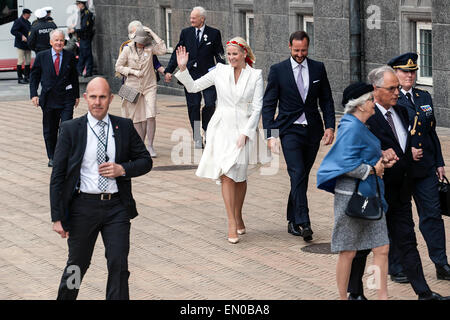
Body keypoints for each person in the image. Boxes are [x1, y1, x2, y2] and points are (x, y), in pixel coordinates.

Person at [347, 66, 449, 300]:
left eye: (396, 87)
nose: (397, 92)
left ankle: (424, 293)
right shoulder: (365, 117)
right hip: (374, 192)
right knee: (363, 246)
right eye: (391, 88)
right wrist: (379, 155)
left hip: (400, 192)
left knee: (407, 242)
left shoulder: (402, 112)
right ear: (376, 89)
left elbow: (406, 145)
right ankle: (355, 293)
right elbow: (352, 152)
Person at [50, 77, 153, 300]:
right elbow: (57, 176)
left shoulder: (123, 127)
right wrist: (57, 216)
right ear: (86, 98)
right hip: (82, 208)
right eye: (93, 97)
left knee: (118, 265)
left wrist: (122, 169)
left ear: (111, 99)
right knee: (77, 265)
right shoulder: (71, 129)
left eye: (103, 97)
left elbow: (146, 161)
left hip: (116, 207)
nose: (98, 102)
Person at [175, 37, 264, 244]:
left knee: (239, 176)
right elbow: (194, 87)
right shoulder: (219, 71)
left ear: (244, 54)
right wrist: (183, 69)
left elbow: (258, 106)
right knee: (226, 174)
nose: (231, 57)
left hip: (243, 128)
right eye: (229, 54)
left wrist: (247, 132)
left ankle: (239, 215)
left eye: (235, 54)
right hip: (221, 128)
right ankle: (231, 222)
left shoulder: (256, 75)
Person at [317, 82, 394, 300]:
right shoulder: (350, 127)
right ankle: (343, 298)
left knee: (381, 248)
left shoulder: (360, 126)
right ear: (360, 105)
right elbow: (344, 163)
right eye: (370, 100)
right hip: (351, 196)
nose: (374, 103)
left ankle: (382, 297)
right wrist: (372, 169)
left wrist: (381, 160)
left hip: (370, 193)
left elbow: (360, 155)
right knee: (348, 251)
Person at [262, 31, 335, 242]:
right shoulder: (278, 70)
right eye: (296, 50)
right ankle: (304, 222)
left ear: (308, 47)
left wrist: (330, 127)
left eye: (303, 50)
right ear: (289, 47)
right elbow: (269, 104)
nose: (300, 54)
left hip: (312, 131)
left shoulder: (318, 68)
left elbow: (327, 100)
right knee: (297, 172)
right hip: (289, 130)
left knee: (300, 176)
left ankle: (292, 218)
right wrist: (271, 134)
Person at [387, 53, 450, 282]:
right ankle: (397, 267)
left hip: (425, 169)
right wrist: (406, 152)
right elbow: (386, 134)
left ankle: (441, 263)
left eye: (413, 71)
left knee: (432, 216)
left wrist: (439, 162)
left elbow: (430, 132)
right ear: (395, 72)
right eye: (405, 71)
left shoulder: (424, 97)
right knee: (400, 219)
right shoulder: (390, 99)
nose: (410, 75)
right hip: (400, 171)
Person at [164, 6, 225, 149]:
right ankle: (197, 136)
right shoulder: (186, 33)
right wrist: (169, 70)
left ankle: (207, 129)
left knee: (210, 103)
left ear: (202, 19)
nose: (191, 20)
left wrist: (223, 70)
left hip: (209, 75)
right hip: (190, 75)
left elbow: (219, 54)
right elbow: (177, 52)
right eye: (191, 17)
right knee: (193, 106)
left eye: (194, 18)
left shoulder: (214, 33)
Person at [30, 29, 80, 167]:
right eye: (56, 40)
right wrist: (34, 94)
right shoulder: (42, 56)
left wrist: (76, 95)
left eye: (61, 40)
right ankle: (52, 156)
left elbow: (74, 76)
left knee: (66, 128)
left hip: (66, 99)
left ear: (64, 41)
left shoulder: (69, 55)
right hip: (48, 99)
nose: (59, 43)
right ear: (51, 42)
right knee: (50, 130)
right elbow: (34, 76)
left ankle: (64, 156)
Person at [115, 25, 166, 157]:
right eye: (140, 41)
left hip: (149, 85)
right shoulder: (127, 49)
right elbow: (118, 66)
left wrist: (153, 33)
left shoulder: (149, 48)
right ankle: (140, 145)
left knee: (151, 114)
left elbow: (163, 50)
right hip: (132, 86)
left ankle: (150, 145)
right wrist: (132, 72)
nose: (142, 44)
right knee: (136, 117)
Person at [71, 0, 95, 77]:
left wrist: (74, 30)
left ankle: (88, 71)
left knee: (86, 54)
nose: (77, 6)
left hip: (86, 37)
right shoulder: (81, 13)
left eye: (78, 4)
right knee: (82, 54)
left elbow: (85, 27)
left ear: (82, 4)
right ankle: (79, 71)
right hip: (82, 37)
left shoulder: (87, 14)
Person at [10, 8, 32, 84]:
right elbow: (13, 31)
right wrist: (21, 36)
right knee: (20, 61)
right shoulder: (18, 21)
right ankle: (20, 78)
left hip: (27, 45)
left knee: (28, 61)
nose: (30, 15)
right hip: (20, 44)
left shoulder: (28, 22)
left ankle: (27, 77)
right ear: (25, 14)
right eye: (29, 14)